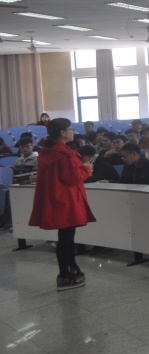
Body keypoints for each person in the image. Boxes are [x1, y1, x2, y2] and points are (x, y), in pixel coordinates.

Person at [28, 118, 94, 291]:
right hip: (66, 200)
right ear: (62, 133)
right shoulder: (64, 154)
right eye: (70, 129)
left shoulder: (48, 151)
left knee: (65, 238)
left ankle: (71, 269)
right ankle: (65, 275)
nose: (73, 131)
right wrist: (86, 169)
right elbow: (72, 177)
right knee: (66, 239)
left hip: (56, 199)